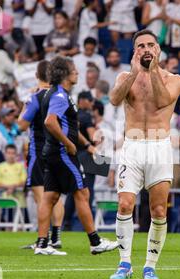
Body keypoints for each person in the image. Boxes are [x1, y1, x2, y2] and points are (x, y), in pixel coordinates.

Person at [108, 29, 180, 279]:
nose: (146, 49)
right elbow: (114, 99)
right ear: (135, 50)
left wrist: (151, 71)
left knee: (159, 209)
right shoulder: (125, 76)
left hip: (160, 146)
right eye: (141, 46)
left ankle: (150, 265)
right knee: (124, 204)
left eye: (151, 45)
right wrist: (133, 72)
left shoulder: (173, 79)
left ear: (158, 49)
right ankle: (124, 263)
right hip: (133, 145)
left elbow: (162, 101)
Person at [35, 56, 118, 256]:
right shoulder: (60, 96)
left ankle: (42, 243)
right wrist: (69, 143)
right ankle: (95, 242)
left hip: (52, 152)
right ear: (64, 74)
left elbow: (71, 127)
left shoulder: (55, 93)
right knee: (82, 193)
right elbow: (50, 122)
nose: (77, 73)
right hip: (62, 153)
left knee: (50, 197)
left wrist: (87, 146)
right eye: (74, 69)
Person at [18, 60, 65, 249]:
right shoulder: (60, 95)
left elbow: (21, 124)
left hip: (38, 150)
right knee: (55, 196)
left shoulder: (35, 97)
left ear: (37, 76)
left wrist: (23, 106)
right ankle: (56, 236)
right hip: (57, 150)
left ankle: (42, 239)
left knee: (41, 197)